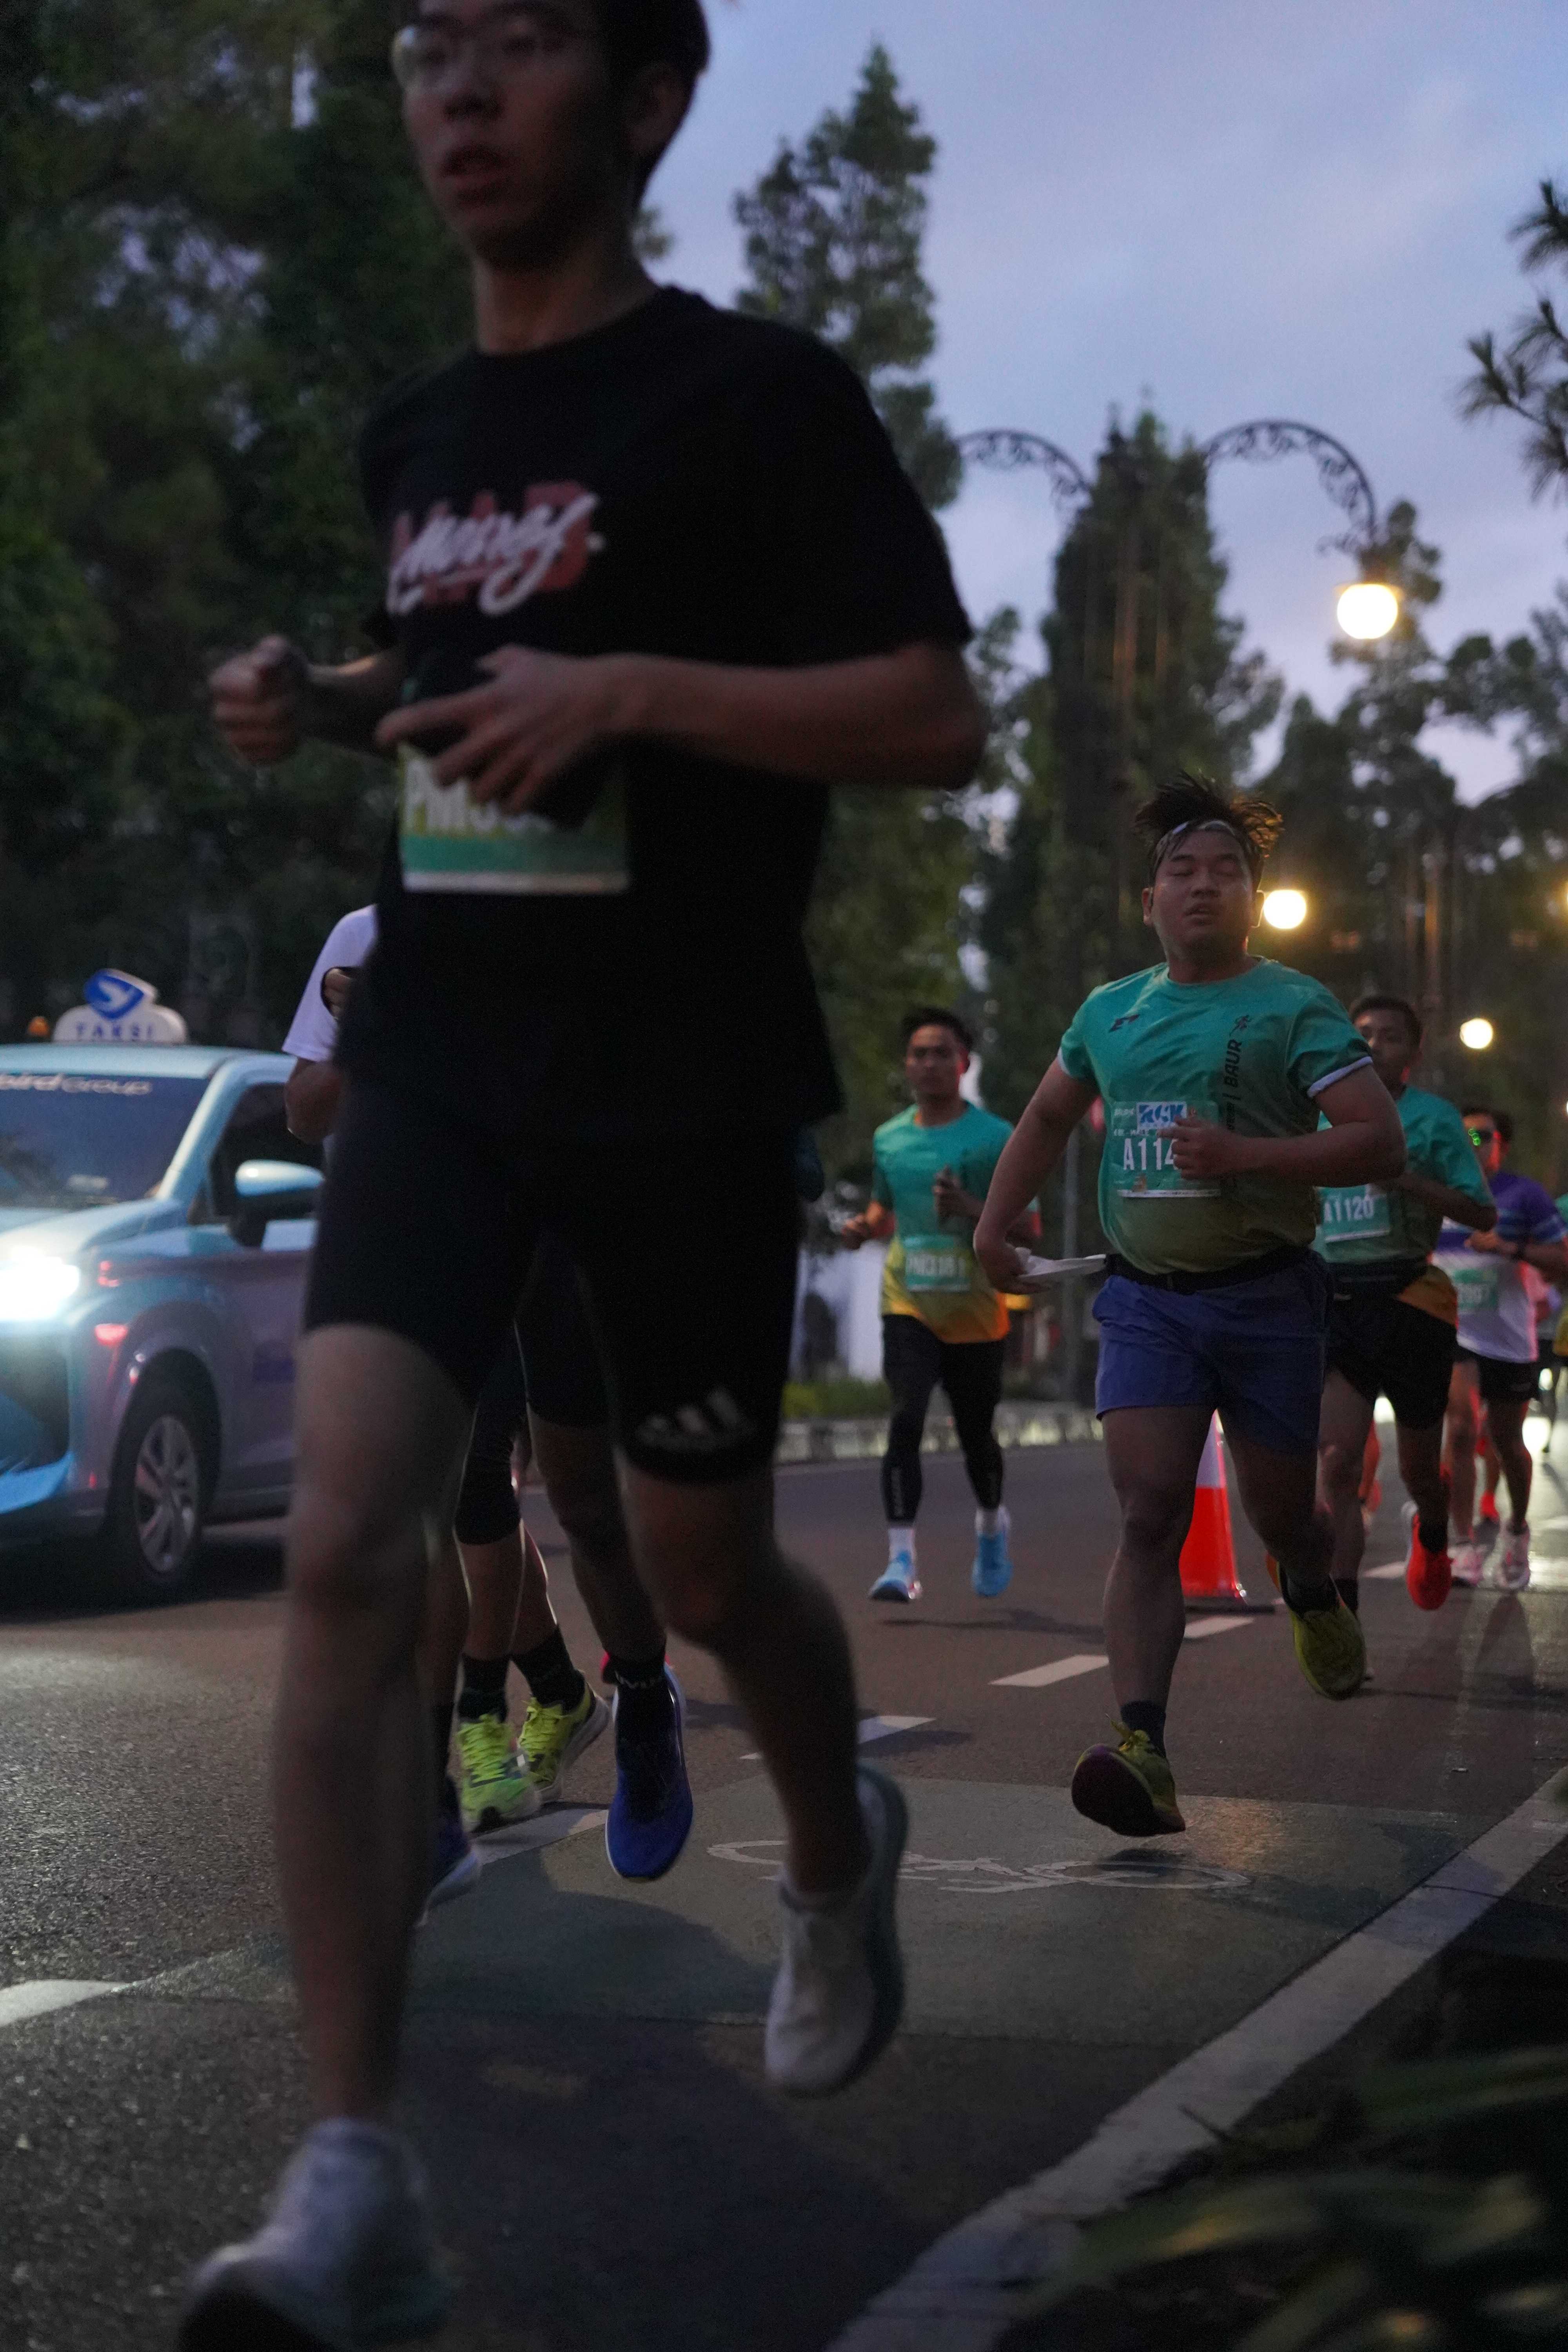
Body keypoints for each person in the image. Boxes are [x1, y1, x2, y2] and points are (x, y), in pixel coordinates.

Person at [188, 0, 985, 2339]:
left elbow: (929, 710)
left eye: (519, 40)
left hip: (682, 1063)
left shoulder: (754, 399)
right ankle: (356, 2177)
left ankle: (831, 1849)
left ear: (645, 98)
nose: (455, 89)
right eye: (427, 40)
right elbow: (458, 687)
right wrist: (326, 701)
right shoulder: (418, 433)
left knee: (697, 1557)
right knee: (347, 1546)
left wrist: (630, 692)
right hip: (442, 1043)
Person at [975, 773, 1404, 1842]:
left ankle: (1310, 1589)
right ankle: (1143, 1748)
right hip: (1147, 1298)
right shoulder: (1109, 1012)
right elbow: (1045, 1117)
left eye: (1224, 872)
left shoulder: (1293, 1005)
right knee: (1150, 1509)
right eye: (1181, 870)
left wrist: (1246, 1155)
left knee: (1281, 1516)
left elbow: (1378, 1141)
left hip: (1267, 1298)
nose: (1202, 885)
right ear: (1150, 900)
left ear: (1252, 900)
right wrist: (993, 1223)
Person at [283, 916, 686, 1871]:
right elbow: (306, 1111)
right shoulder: (367, 934)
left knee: (584, 1503)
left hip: (556, 1232)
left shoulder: (585, 915)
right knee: (428, 1509)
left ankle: (641, 1696)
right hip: (428, 1233)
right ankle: (431, 1795)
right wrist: (376, 1025)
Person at [842, 1007, 1034, 1603]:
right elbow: (885, 1211)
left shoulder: (996, 1138)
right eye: (919, 1053)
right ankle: (900, 1560)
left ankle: (992, 1525)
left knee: (977, 1437)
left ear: (964, 1062)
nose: (929, 1063)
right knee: (905, 1418)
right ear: (906, 1065)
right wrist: (864, 1228)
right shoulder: (890, 1138)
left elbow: (1028, 1227)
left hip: (976, 1312)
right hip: (909, 1302)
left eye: (941, 1053)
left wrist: (971, 1208)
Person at [1312, 994, 1495, 1616]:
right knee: (1338, 1462)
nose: (1373, 1043)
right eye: (1362, 1032)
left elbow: (1482, 1214)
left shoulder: (1433, 1119)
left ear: (1414, 1052)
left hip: (1411, 1301)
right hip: (1338, 1300)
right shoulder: (1317, 1115)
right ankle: (1342, 1616)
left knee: (1419, 1472)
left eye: (1390, 1035)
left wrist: (1404, 1179)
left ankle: (1434, 1532)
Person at [1436, 1108, 1568, 1590]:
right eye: (1461, 1134)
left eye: (1480, 1135)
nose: (1469, 1143)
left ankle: (1516, 1531)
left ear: (1502, 1145)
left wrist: (1509, 1249)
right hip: (1454, 1333)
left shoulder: (1524, 1196)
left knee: (1507, 1441)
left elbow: (1562, 1258)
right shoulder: (1440, 1194)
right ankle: (1463, 1544)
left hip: (1509, 1340)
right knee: (1460, 1429)